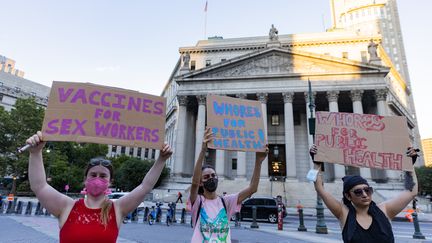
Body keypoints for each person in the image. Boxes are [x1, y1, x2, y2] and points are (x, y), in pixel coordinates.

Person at [26, 131, 172, 243]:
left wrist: (161, 160)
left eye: (103, 176)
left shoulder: (117, 208)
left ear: (110, 182)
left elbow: (145, 187)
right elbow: (39, 186)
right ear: (85, 179)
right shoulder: (67, 206)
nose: (97, 179)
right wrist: (35, 153)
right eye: (93, 175)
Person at [309, 145, 419, 243]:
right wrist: (317, 162)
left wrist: (409, 165)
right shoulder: (343, 213)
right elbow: (320, 188)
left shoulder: (384, 210)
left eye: (367, 190)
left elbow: (411, 191)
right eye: (358, 192)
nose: (365, 194)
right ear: (348, 196)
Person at [189, 128, 269, 242]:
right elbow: (194, 183)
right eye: (206, 177)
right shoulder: (197, 201)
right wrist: (203, 150)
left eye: (213, 175)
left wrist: (258, 162)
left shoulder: (225, 202)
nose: (211, 178)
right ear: (201, 182)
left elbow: (252, 188)